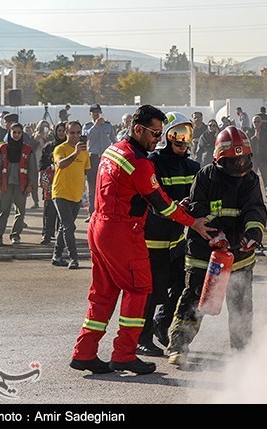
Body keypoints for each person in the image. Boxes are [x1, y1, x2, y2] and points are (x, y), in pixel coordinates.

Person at [69, 105, 214, 376]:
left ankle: (84, 353)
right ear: (138, 130)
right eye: (155, 133)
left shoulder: (113, 150)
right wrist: (193, 222)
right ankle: (124, 354)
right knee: (139, 290)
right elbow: (162, 205)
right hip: (122, 232)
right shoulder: (139, 162)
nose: (158, 139)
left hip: (99, 228)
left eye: (161, 133)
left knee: (102, 294)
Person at [167, 126, 267, 367]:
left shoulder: (250, 179)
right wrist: (215, 235)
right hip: (204, 254)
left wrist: (253, 234)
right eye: (235, 161)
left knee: (242, 306)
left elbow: (255, 209)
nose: (241, 166)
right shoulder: (205, 176)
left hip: (240, 256)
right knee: (193, 300)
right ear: (221, 159)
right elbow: (197, 207)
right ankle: (179, 348)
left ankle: (241, 353)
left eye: (245, 159)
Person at [138, 112, 201, 357]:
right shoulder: (153, 162)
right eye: (177, 134)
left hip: (177, 241)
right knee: (151, 293)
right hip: (153, 239)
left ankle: (161, 326)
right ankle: (142, 339)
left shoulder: (192, 166)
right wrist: (179, 205)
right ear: (166, 136)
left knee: (180, 287)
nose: (182, 141)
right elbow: (156, 200)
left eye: (187, 135)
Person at [50, 121, 90, 269]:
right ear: (66, 133)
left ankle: (57, 255)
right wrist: (75, 153)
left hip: (77, 194)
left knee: (64, 227)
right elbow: (61, 164)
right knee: (69, 226)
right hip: (61, 192)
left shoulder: (84, 151)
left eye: (78, 133)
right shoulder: (60, 149)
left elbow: (85, 171)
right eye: (72, 133)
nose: (75, 136)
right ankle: (74, 257)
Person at [0, 123, 37, 246]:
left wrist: (30, 185)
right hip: (6, 184)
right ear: (9, 133)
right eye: (14, 132)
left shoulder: (28, 150)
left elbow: (32, 170)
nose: (16, 135)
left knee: (20, 212)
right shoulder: (3, 148)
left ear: (22, 134)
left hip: (21, 186)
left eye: (19, 132)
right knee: (3, 211)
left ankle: (15, 235)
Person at [82, 104, 116, 221]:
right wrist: (95, 126)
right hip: (93, 158)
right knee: (92, 187)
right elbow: (86, 138)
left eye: (98, 111)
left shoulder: (107, 125)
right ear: (90, 113)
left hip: (106, 158)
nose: (96, 114)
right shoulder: (87, 126)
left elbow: (114, 140)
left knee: (107, 186)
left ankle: (105, 210)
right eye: (94, 112)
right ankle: (91, 213)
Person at [38, 123, 67, 247]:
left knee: (64, 209)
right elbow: (42, 164)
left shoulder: (70, 147)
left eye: (63, 130)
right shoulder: (48, 147)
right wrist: (41, 178)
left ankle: (63, 235)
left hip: (65, 181)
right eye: (59, 130)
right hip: (50, 181)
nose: (61, 133)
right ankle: (47, 234)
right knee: (49, 209)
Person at [249, 115, 267, 203]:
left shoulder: (266, 132)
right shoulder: (249, 131)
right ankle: (251, 196)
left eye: (258, 122)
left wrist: (261, 139)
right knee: (252, 179)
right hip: (253, 159)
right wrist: (254, 138)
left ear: (261, 122)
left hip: (263, 158)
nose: (256, 124)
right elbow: (247, 143)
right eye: (255, 122)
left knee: (266, 178)